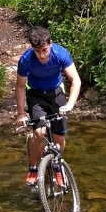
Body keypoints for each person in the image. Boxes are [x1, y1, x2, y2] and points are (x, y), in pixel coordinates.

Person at [15, 26, 81, 186]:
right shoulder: (26, 60)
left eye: (45, 50)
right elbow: (20, 87)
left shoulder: (60, 54)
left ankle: (57, 166)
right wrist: (21, 113)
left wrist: (70, 104)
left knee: (59, 137)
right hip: (36, 94)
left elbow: (76, 81)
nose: (42, 55)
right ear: (33, 49)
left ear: (50, 44)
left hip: (56, 92)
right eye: (38, 52)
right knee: (39, 132)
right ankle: (33, 168)